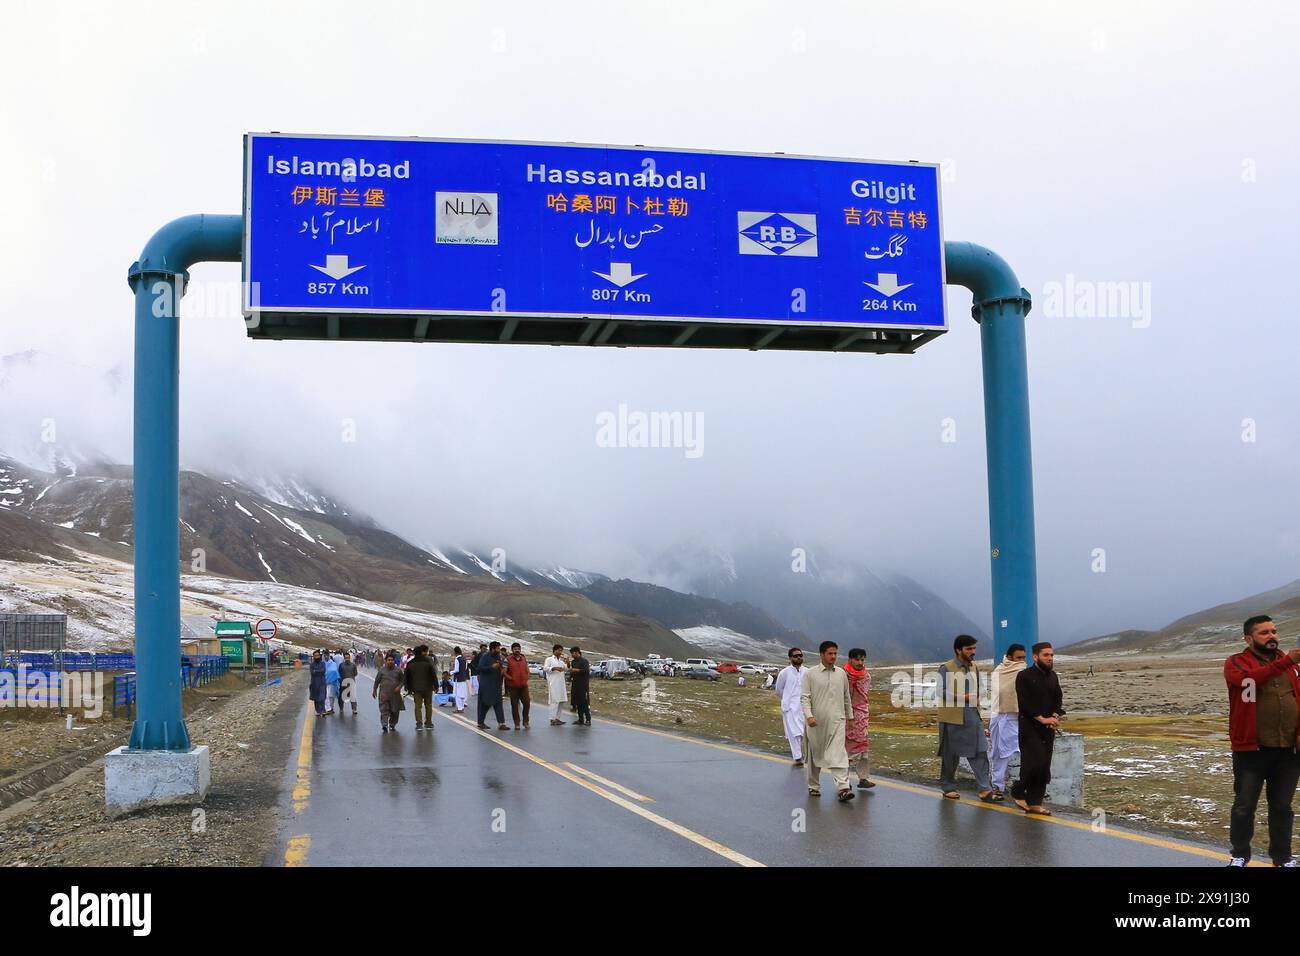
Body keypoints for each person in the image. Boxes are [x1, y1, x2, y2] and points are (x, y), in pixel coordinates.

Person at [1225, 615, 1300, 867]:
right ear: (1248, 638)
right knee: (1244, 807)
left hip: (1288, 751)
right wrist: (1288, 661)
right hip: (1252, 751)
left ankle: (1282, 858)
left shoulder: (1291, 666)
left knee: (1282, 808)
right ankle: (1239, 855)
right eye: (1264, 632)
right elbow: (1248, 681)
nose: (1272, 636)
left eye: (1274, 631)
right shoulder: (1236, 663)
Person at [937, 634, 997, 802]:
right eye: (969, 648)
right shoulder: (946, 668)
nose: (973, 651)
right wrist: (962, 697)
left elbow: (977, 692)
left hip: (972, 717)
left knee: (980, 751)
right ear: (958, 650)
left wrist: (978, 703)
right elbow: (940, 692)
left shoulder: (974, 668)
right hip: (951, 718)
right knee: (950, 755)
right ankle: (948, 786)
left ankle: (985, 789)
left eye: (974, 648)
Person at [1012, 641, 1064, 815]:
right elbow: (1024, 703)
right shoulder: (1024, 676)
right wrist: (1042, 719)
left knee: (1044, 766)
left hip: (1048, 727)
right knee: (1033, 763)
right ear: (1035, 657)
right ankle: (1018, 791)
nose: (1050, 658)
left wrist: (1055, 716)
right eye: (1046, 655)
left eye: (1051, 655)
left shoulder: (1053, 676)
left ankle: (1035, 802)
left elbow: (1058, 699)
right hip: (1029, 726)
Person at [801, 641, 854, 802]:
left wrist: (850, 717)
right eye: (830, 653)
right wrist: (809, 716)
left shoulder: (841, 674)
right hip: (816, 722)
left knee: (838, 754)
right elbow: (805, 697)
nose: (833, 657)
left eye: (835, 653)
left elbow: (846, 697)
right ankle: (814, 786)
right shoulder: (811, 674)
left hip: (837, 721)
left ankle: (843, 787)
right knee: (815, 755)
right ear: (822, 654)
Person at [989, 644, 1026, 798]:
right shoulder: (998, 671)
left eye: (1024, 657)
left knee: (1026, 752)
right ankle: (997, 786)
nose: (1022, 661)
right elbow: (998, 694)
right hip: (999, 715)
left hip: (1020, 716)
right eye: (1019, 658)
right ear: (1009, 657)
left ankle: (1026, 789)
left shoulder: (1024, 672)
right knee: (999, 753)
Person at [844, 647, 873, 789]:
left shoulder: (866, 676)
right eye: (857, 659)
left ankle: (863, 778)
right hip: (847, 717)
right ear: (850, 659)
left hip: (862, 716)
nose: (860, 662)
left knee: (864, 750)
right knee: (848, 751)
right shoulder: (843, 675)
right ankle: (844, 781)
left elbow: (864, 696)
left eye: (862, 659)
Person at [774, 648, 806, 766]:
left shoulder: (807, 672)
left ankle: (801, 753)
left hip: (803, 707)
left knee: (802, 732)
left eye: (800, 655)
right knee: (793, 732)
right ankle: (797, 757)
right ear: (790, 658)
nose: (798, 658)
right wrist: (787, 699)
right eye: (795, 656)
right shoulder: (784, 673)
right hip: (790, 708)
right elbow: (778, 690)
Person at [474, 641, 508, 730]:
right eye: (497, 648)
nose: (499, 650)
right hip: (486, 685)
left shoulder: (500, 657)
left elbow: (504, 664)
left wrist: (503, 669)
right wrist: (491, 667)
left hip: (497, 684)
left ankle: (501, 723)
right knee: (485, 704)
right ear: (493, 649)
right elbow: (480, 668)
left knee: (498, 703)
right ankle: (480, 722)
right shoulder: (485, 656)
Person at [404, 645, 438, 731]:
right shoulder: (428, 662)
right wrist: (436, 685)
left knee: (418, 706)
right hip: (428, 688)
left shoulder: (410, 663)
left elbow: (407, 677)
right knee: (428, 705)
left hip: (416, 689)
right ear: (422, 652)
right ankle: (428, 723)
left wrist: (407, 687)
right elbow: (433, 675)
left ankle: (419, 724)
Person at [372, 652, 405, 732]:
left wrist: (399, 687)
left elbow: (403, 680)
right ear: (386, 661)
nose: (390, 661)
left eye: (392, 660)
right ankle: (384, 725)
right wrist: (374, 690)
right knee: (384, 710)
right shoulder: (382, 670)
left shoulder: (398, 670)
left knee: (395, 711)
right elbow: (377, 681)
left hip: (395, 695)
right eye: (388, 660)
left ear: (394, 661)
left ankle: (392, 724)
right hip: (384, 694)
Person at [504, 642, 532, 730]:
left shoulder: (523, 658)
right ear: (512, 650)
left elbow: (527, 669)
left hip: (524, 686)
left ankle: (525, 721)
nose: (517, 650)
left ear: (520, 649)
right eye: (515, 649)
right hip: (513, 686)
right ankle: (517, 723)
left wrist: (527, 676)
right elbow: (504, 672)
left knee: (527, 703)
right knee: (515, 706)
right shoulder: (507, 659)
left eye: (518, 649)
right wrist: (511, 678)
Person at [544, 644, 569, 725]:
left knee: (561, 701)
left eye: (561, 650)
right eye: (559, 650)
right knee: (554, 701)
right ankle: (552, 719)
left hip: (561, 683)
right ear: (554, 651)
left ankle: (557, 718)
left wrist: (567, 661)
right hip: (553, 683)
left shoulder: (561, 661)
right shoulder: (549, 659)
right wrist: (554, 668)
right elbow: (545, 668)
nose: (560, 652)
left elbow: (567, 668)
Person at [569, 647, 591, 725]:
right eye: (571, 653)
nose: (572, 655)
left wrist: (577, 670)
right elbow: (572, 672)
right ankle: (580, 719)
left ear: (577, 652)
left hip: (583, 685)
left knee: (584, 702)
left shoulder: (584, 661)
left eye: (573, 653)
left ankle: (588, 719)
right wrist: (570, 678)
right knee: (578, 702)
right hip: (575, 684)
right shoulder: (573, 662)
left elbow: (586, 671)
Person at [450, 646, 470, 714]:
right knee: (462, 694)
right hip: (463, 678)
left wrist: (451, 672)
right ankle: (462, 707)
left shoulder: (457, 659)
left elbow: (457, 670)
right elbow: (465, 668)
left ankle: (459, 708)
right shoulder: (464, 659)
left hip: (458, 679)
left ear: (455, 652)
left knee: (457, 694)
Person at [338, 651, 359, 715]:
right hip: (343, 683)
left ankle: (354, 709)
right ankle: (341, 708)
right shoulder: (341, 665)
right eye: (346, 658)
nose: (347, 659)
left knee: (352, 697)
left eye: (348, 658)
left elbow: (355, 673)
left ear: (350, 658)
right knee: (341, 697)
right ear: (344, 658)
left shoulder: (353, 665)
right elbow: (339, 673)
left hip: (351, 683)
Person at [309, 650, 327, 717]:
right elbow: (312, 672)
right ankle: (318, 711)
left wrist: (316, 671)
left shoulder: (323, 663)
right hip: (314, 683)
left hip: (322, 682)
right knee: (316, 698)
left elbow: (323, 671)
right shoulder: (312, 664)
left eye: (317, 655)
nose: (316, 657)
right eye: (315, 656)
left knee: (322, 697)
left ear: (320, 656)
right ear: (313, 657)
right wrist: (318, 671)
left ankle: (323, 710)